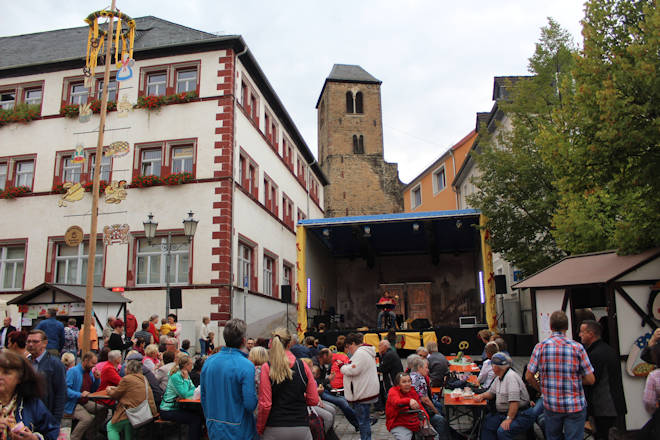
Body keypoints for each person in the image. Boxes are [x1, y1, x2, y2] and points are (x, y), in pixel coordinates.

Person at [526, 311, 595, 440]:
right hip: (575, 405)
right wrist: (572, 379)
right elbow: (590, 379)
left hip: (552, 404)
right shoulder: (577, 348)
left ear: (551, 327)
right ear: (567, 327)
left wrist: (542, 390)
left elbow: (529, 376)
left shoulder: (540, 347)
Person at [256, 327, 319, 440]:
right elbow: (314, 399)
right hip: (300, 426)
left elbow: (265, 404)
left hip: (275, 426)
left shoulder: (267, 367)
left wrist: (260, 427)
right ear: (290, 344)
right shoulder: (302, 366)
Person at [202, 319, 258, 439]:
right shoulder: (246, 365)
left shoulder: (209, 362)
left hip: (214, 426)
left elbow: (204, 396)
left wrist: (209, 418)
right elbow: (250, 404)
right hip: (239, 429)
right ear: (243, 340)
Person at [579, 320, 627, 439]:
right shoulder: (609, 350)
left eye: (582, 332)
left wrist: (574, 379)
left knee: (602, 436)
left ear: (591, 334)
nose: (580, 335)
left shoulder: (595, 354)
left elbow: (591, 380)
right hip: (615, 403)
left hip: (603, 407)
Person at [475, 353, 537, 440]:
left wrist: (509, 419)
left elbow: (514, 402)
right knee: (487, 423)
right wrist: (482, 396)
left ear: (496, 367)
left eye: (492, 365)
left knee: (503, 431)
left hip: (520, 414)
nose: (492, 367)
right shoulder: (499, 377)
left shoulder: (511, 378)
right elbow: (491, 393)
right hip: (505, 412)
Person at [0, 351, 60, 440]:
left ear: (19, 378)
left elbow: (52, 432)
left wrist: (34, 438)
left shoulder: (32, 404)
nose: (0, 376)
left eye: (6, 373)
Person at [341, 332, 380, 440]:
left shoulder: (360, 353)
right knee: (365, 420)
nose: (349, 350)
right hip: (366, 390)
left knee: (363, 422)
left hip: (362, 392)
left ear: (353, 343)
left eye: (349, 347)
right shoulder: (365, 352)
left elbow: (353, 369)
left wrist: (342, 367)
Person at [105, 359, 158, 440]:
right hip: (142, 413)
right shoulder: (143, 378)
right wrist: (154, 413)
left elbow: (115, 395)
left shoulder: (127, 379)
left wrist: (109, 391)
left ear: (130, 369)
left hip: (129, 412)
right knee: (128, 426)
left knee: (111, 427)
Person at [26, 329, 66, 424]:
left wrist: (56, 420)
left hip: (46, 415)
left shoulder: (54, 364)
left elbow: (61, 392)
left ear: (45, 343)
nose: (31, 344)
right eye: (28, 341)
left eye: (35, 342)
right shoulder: (25, 363)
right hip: (28, 415)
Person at [315, 348, 360, 432]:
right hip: (317, 393)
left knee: (343, 400)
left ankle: (358, 423)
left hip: (323, 390)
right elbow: (315, 383)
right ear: (324, 356)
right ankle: (360, 423)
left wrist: (331, 388)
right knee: (342, 402)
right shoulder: (315, 366)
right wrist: (329, 379)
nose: (332, 359)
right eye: (330, 357)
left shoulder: (323, 364)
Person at [407, 354, 450, 439]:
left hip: (413, 409)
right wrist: (436, 412)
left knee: (439, 409)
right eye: (426, 368)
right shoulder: (419, 379)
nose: (428, 370)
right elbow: (425, 400)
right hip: (418, 412)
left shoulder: (411, 375)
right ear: (419, 368)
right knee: (441, 420)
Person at [161, 355, 202, 440]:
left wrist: (188, 392)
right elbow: (186, 394)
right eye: (191, 364)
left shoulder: (185, 374)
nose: (193, 366)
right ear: (186, 365)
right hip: (168, 410)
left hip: (176, 407)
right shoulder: (176, 376)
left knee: (199, 415)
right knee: (195, 419)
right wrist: (186, 381)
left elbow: (194, 390)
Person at [65, 352, 105, 440]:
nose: (94, 366)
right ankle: (74, 438)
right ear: (86, 361)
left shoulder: (90, 372)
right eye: (92, 363)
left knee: (103, 410)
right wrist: (79, 394)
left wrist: (97, 379)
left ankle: (90, 434)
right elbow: (66, 390)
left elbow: (92, 390)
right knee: (87, 419)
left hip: (84, 401)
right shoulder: (73, 371)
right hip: (73, 403)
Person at [385, 372, 430, 440]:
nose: (407, 384)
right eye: (404, 382)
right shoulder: (393, 391)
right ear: (398, 384)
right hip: (399, 423)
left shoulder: (412, 391)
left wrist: (426, 420)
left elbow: (420, 407)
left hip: (413, 421)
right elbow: (396, 402)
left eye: (409, 381)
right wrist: (409, 400)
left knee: (435, 431)